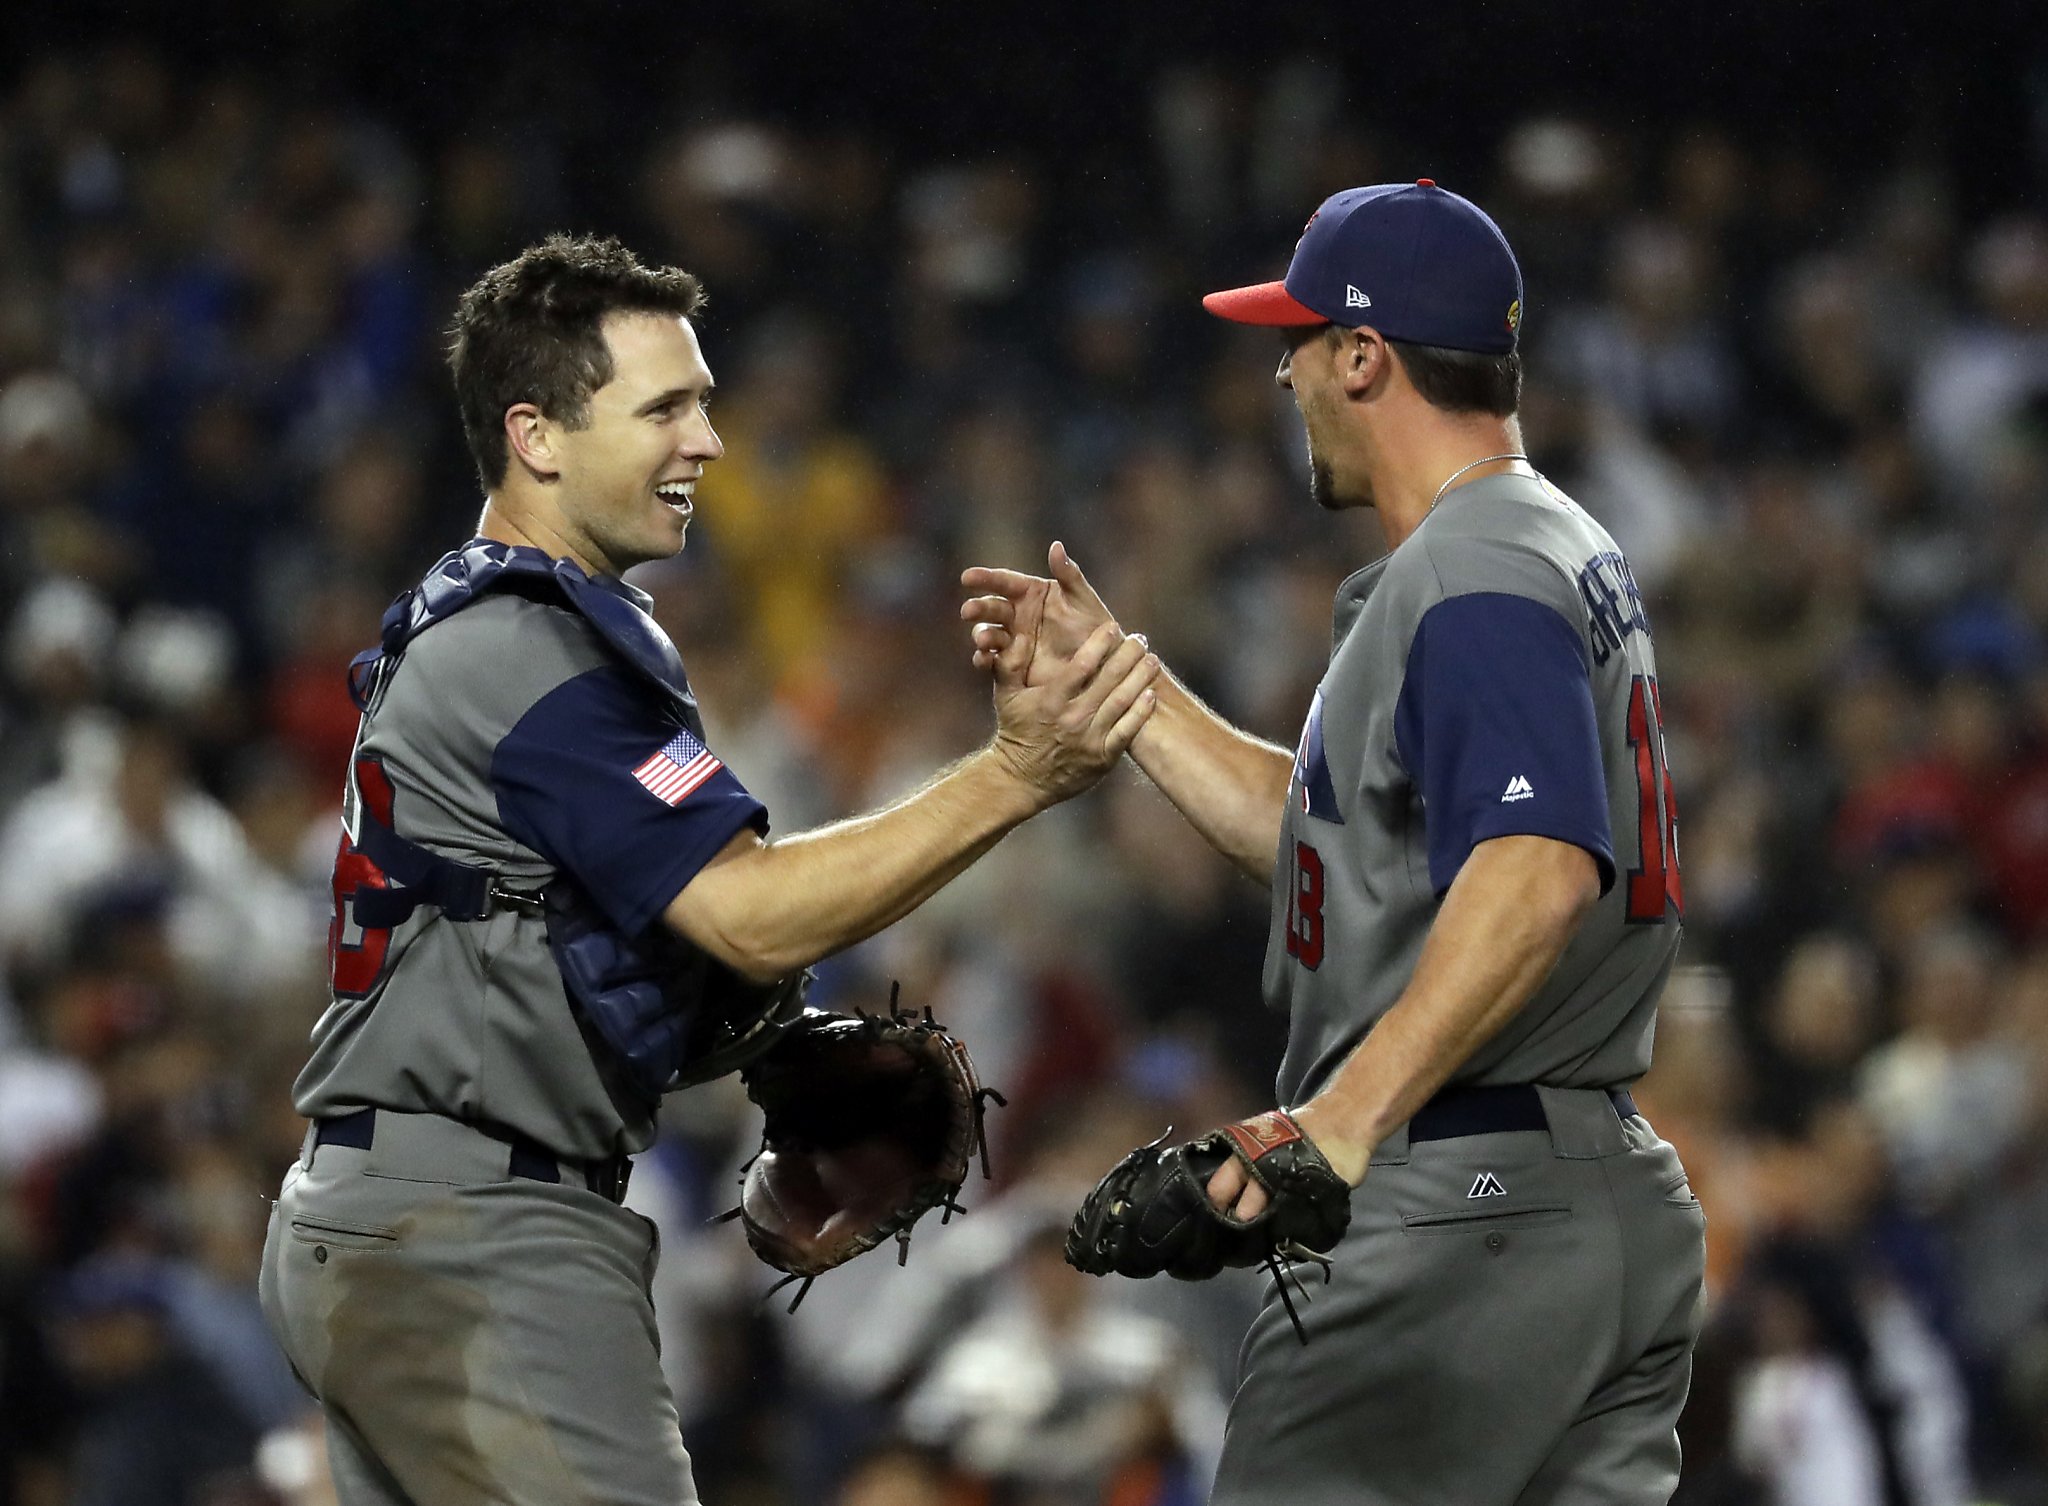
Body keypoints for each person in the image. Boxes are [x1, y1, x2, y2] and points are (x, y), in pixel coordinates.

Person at [256, 233, 1160, 1506]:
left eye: (707, 403)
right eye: (664, 406)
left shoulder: (507, 631)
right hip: (473, 1231)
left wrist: (764, 1044)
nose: (708, 442)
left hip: (413, 1210)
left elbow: (612, 950)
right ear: (538, 436)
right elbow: (746, 912)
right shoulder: (530, 655)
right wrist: (1016, 774)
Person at [963, 182, 1706, 1505]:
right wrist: (1123, 688)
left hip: (1463, 1204)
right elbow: (1343, 847)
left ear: (1364, 355)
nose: (1284, 372)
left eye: (1299, 341)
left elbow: (1538, 868)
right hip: (1588, 1192)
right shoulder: (1539, 545)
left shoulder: (1475, 575)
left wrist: (1331, 1126)